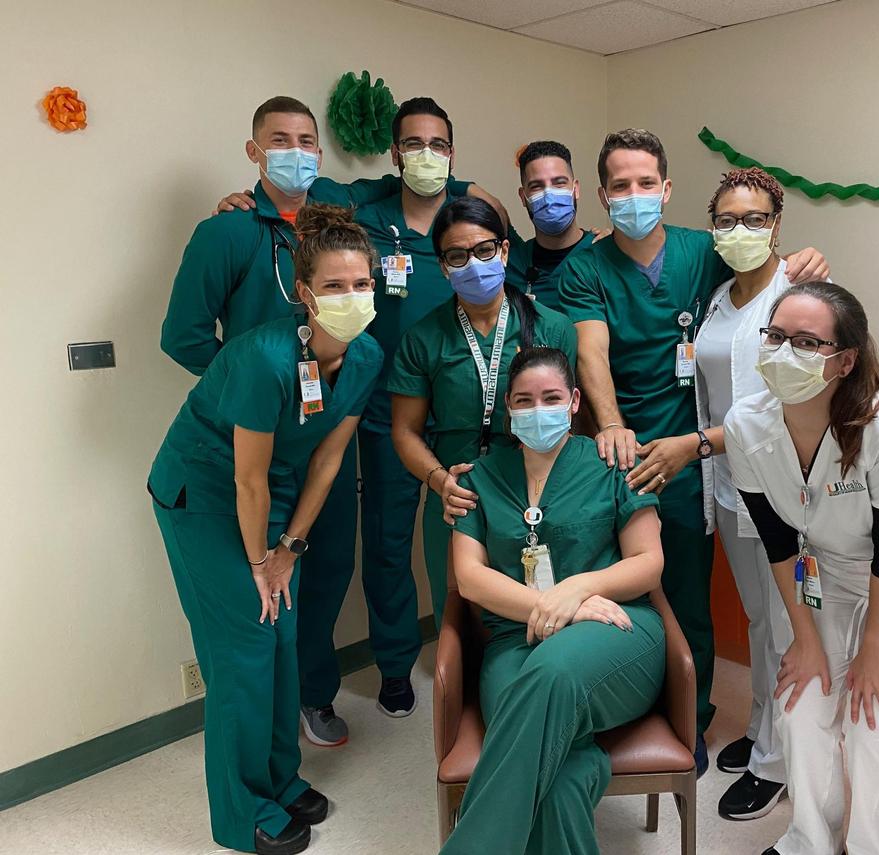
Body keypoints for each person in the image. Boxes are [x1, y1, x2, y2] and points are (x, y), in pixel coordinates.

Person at [215, 97, 510, 726]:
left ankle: (492, 661)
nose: (425, 155)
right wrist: (243, 199)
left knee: (488, 536)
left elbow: (508, 245)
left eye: (438, 144)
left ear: (452, 155)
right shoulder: (366, 210)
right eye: (413, 144)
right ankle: (398, 665)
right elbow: (296, 190)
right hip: (383, 407)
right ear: (395, 154)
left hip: (462, 409)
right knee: (386, 541)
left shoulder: (464, 221)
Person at [557, 128, 830, 773]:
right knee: (613, 595)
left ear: (667, 188)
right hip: (619, 453)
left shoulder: (703, 253)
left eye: (645, 183)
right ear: (602, 195)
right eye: (620, 186)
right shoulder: (585, 268)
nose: (634, 195)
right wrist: (612, 424)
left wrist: (804, 260)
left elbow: (766, 277)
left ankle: (692, 720)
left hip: (696, 458)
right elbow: (591, 350)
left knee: (690, 601)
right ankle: (617, 713)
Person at [148, 205, 383, 855]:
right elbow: (244, 480)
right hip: (204, 494)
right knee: (246, 649)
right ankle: (241, 809)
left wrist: (291, 546)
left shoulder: (365, 355)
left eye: (361, 283)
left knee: (283, 640)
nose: (351, 297)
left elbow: (329, 457)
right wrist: (261, 561)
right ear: (305, 294)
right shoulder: (263, 358)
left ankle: (280, 778)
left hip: (272, 500)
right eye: (334, 286)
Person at [723, 282, 879, 855]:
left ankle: (872, 847)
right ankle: (807, 841)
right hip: (831, 575)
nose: (784, 351)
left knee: (871, 719)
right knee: (799, 704)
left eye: (807, 342)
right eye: (775, 336)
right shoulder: (746, 425)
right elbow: (777, 539)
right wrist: (805, 638)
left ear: (844, 360)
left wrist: (875, 648)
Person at [161, 95, 374, 748]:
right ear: (254, 152)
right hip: (256, 446)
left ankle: (313, 694)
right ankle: (267, 732)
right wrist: (252, 384)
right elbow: (183, 336)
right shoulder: (228, 232)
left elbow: (387, 185)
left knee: (326, 565)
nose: (297, 151)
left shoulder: (330, 217)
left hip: (325, 433)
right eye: (279, 140)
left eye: (308, 140)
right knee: (261, 596)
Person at [441, 347, 666, 855]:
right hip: (514, 642)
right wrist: (557, 607)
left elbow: (648, 562)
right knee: (563, 774)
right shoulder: (476, 478)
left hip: (617, 631)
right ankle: (583, 768)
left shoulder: (614, 462)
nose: (536, 408)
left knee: (552, 674)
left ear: (574, 401)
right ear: (507, 410)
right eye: (523, 400)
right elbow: (471, 578)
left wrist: (575, 591)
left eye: (550, 397)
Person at [632, 166, 803, 819]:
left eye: (755, 218)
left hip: (785, 487)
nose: (740, 230)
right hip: (733, 487)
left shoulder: (798, 291)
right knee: (762, 618)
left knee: (788, 627)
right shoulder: (719, 299)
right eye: (727, 219)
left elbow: (788, 403)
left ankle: (777, 763)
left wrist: (695, 444)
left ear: (777, 224)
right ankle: (763, 726)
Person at [388, 197, 577, 626]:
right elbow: (404, 431)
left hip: (539, 489)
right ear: (442, 265)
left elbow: (572, 420)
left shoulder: (552, 327)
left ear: (505, 251)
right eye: (458, 256)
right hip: (460, 494)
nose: (473, 264)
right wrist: (440, 482)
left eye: (485, 250)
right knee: (461, 620)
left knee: (543, 610)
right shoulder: (423, 339)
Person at [504, 140, 599, 310]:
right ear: (523, 197)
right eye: (536, 186)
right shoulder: (511, 266)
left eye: (559, 183)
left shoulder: (601, 253)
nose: (549, 195)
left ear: (575, 189)